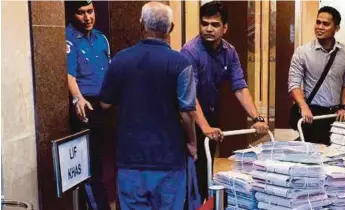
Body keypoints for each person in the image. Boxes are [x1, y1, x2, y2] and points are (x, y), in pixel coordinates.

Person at [99, 2, 198, 209]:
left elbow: (105, 103)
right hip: (169, 160)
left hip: (130, 160)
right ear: (170, 28)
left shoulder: (120, 60)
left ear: (141, 25)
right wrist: (192, 143)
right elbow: (188, 111)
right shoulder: (181, 64)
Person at [181, 1, 269, 202]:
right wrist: (203, 126)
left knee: (206, 171)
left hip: (209, 116)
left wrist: (257, 117)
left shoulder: (229, 52)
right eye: (204, 24)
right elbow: (189, 95)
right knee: (191, 176)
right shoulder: (190, 52)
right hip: (187, 118)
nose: (208, 29)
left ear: (225, 28)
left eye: (215, 24)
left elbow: (239, 86)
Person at [65, 1, 112, 209]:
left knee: (106, 163)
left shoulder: (101, 38)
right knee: (91, 168)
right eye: (81, 13)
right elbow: (69, 74)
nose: (87, 18)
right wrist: (77, 98)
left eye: (90, 12)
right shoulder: (68, 39)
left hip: (106, 105)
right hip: (87, 107)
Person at [288, 6, 345, 145]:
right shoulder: (302, 52)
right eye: (318, 22)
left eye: (326, 24)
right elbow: (294, 84)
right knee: (312, 153)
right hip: (312, 114)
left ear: (336, 28)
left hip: (335, 114)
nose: (320, 27)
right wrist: (303, 107)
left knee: (335, 154)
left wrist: (344, 107)